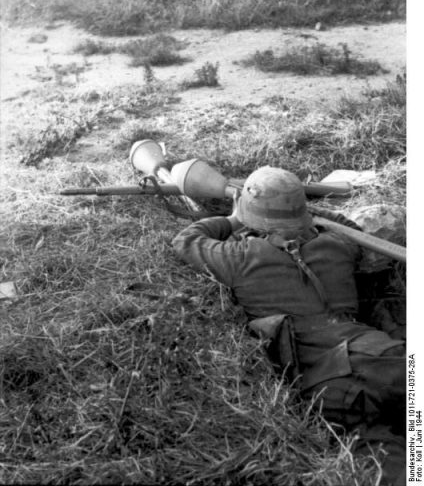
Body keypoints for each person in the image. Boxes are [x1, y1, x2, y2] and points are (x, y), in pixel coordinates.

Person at [172, 166, 406, 486]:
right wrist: (303, 212)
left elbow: (187, 240)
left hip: (324, 391)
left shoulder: (240, 256)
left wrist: (234, 218)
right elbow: (349, 228)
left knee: (390, 466)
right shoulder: (338, 244)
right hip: (383, 356)